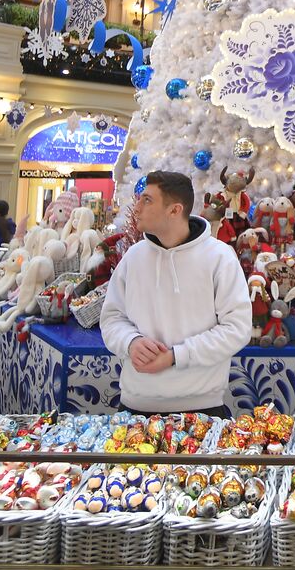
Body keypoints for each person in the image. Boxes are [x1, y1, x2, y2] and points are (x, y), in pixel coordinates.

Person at [100, 171, 251, 417]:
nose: (136, 207)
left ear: (174, 210)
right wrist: (131, 342)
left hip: (203, 409)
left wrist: (176, 356)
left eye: (147, 200)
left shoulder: (220, 258)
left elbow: (237, 328)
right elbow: (112, 318)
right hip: (135, 408)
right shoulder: (134, 257)